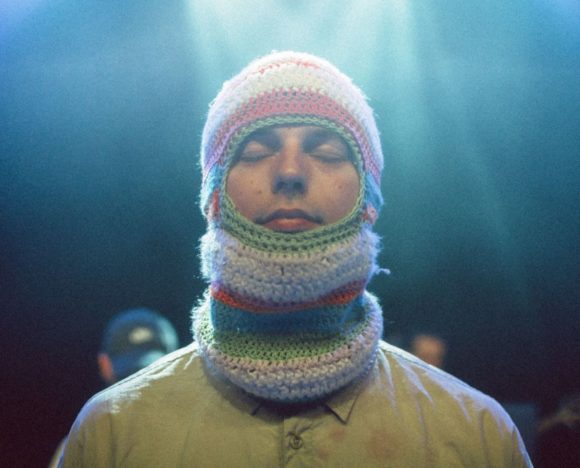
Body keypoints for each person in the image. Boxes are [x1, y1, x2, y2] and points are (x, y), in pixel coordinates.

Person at [60, 51, 531, 466]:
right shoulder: (111, 433)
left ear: (368, 198)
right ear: (213, 197)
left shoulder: (477, 436)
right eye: (255, 152)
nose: (289, 171)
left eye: (326, 153)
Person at [50, 308, 178, 467]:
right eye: (128, 379)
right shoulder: (81, 442)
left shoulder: (193, 433)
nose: (139, 390)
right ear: (104, 365)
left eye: (151, 378)